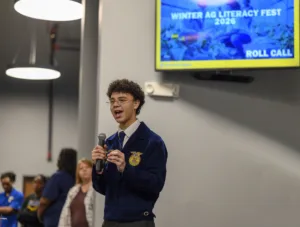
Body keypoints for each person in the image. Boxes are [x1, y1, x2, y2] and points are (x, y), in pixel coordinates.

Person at [91, 79, 168, 227]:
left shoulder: (153, 141)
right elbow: (102, 188)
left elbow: (155, 184)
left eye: (122, 100)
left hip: (138, 221)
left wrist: (125, 168)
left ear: (136, 104)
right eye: (112, 101)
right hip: (110, 221)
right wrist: (97, 168)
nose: (115, 105)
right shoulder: (110, 142)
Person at [37, 148, 77, 227]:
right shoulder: (76, 179)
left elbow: (44, 201)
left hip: (54, 219)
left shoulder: (58, 177)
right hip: (70, 219)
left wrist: (39, 215)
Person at [58, 158, 95, 227]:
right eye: (81, 168)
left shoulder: (97, 189)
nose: (84, 170)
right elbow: (65, 213)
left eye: (87, 167)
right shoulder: (73, 191)